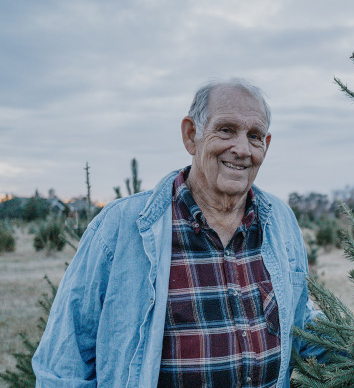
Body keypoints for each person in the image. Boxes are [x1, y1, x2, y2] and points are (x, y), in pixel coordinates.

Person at [33, 78, 326, 387]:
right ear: (191, 136)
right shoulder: (120, 227)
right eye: (226, 130)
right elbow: (64, 364)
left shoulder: (279, 221)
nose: (241, 149)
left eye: (254, 136)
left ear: (264, 147)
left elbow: (298, 318)